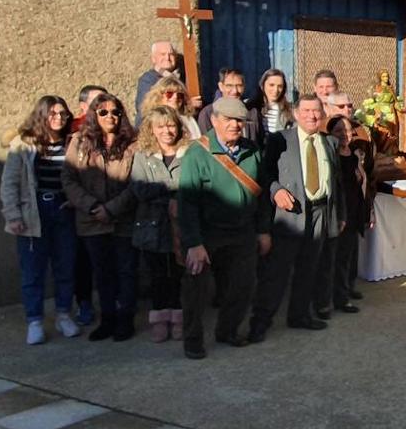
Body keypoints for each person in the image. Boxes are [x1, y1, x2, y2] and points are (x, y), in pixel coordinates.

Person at [177, 96, 272, 358]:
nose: (235, 125)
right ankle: (193, 340)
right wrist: (194, 243)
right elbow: (187, 202)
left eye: (240, 121)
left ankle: (227, 330)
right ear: (214, 120)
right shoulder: (197, 153)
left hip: (243, 231)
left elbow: (262, 195)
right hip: (207, 234)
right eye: (229, 119)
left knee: (242, 286)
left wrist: (263, 230)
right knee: (196, 291)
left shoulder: (252, 150)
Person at [251, 95, 345, 341]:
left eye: (316, 111)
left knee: (309, 268)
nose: (312, 115)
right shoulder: (279, 140)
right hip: (290, 214)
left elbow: (337, 182)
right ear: (296, 113)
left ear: (322, 113)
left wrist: (340, 214)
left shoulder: (331, 143)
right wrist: (276, 191)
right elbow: (265, 175)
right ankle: (260, 322)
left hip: (320, 213)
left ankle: (299, 315)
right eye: (306, 111)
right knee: (278, 272)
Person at [0, 96, 81, 344]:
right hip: (34, 212)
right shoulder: (24, 145)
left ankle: (63, 314)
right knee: (33, 271)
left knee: (65, 266)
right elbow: (9, 182)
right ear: (42, 115)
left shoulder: (71, 143)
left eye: (63, 114)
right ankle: (34, 320)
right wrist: (13, 215)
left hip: (64, 209)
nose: (58, 118)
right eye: (53, 114)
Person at [61, 93, 139, 341]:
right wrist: (93, 206)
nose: (110, 117)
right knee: (103, 273)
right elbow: (69, 179)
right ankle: (108, 319)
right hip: (91, 220)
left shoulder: (132, 143)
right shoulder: (79, 142)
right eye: (103, 112)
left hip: (123, 219)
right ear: (94, 114)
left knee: (126, 271)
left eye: (115, 111)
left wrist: (112, 209)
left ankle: (126, 320)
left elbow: (136, 182)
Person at [130, 106, 190, 343]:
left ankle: (178, 318)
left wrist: (162, 189)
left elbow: (194, 185)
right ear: (152, 130)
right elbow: (139, 188)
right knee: (156, 276)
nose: (167, 131)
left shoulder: (189, 152)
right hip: (150, 227)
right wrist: (171, 188)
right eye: (161, 126)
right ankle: (159, 319)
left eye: (171, 125)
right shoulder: (143, 156)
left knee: (177, 274)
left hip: (180, 226)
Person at [70, 85, 106, 325]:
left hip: (111, 210)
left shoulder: (116, 132)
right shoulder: (72, 133)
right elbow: (68, 176)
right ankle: (84, 304)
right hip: (79, 208)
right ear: (83, 107)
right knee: (81, 261)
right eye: (96, 104)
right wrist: (87, 203)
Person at [326, 115, 369, 314]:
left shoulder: (352, 155)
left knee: (351, 254)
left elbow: (361, 183)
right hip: (340, 212)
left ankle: (348, 288)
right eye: (338, 131)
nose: (344, 135)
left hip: (354, 209)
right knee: (340, 256)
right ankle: (339, 298)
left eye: (347, 131)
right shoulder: (329, 156)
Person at [198, 69, 262, 144]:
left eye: (239, 86)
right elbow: (207, 144)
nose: (235, 91)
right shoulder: (208, 113)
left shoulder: (252, 113)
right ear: (221, 86)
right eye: (229, 86)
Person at [141, 76, 202, 141]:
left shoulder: (188, 120)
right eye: (169, 94)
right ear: (158, 96)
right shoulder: (151, 120)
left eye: (179, 95)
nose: (175, 97)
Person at [135, 41, 180, 124]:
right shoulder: (148, 80)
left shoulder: (181, 78)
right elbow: (147, 108)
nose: (167, 58)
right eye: (163, 54)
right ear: (153, 59)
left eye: (171, 54)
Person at [249, 68, 293, 138]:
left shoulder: (289, 111)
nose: (276, 90)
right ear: (263, 85)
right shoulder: (251, 108)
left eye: (280, 86)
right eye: (271, 85)